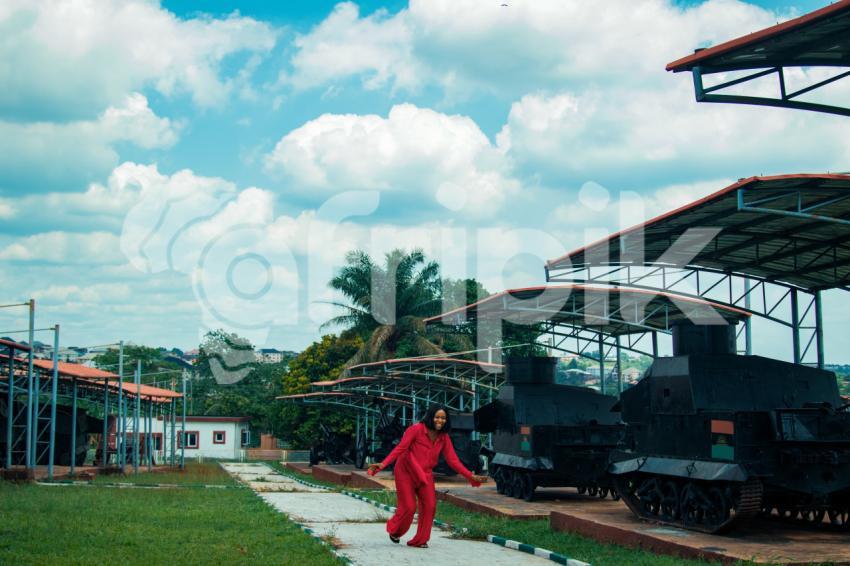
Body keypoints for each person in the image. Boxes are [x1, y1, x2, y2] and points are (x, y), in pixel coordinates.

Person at [367, 405, 487, 548]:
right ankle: (395, 531)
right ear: (430, 417)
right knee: (409, 507)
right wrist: (383, 464)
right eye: (437, 417)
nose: (440, 421)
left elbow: (453, 460)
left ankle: (420, 540)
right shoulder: (416, 429)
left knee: (430, 506)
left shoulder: (444, 437)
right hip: (406, 471)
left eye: (443, 418)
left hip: (425, 474)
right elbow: (401, 448)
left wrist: (470, 476)